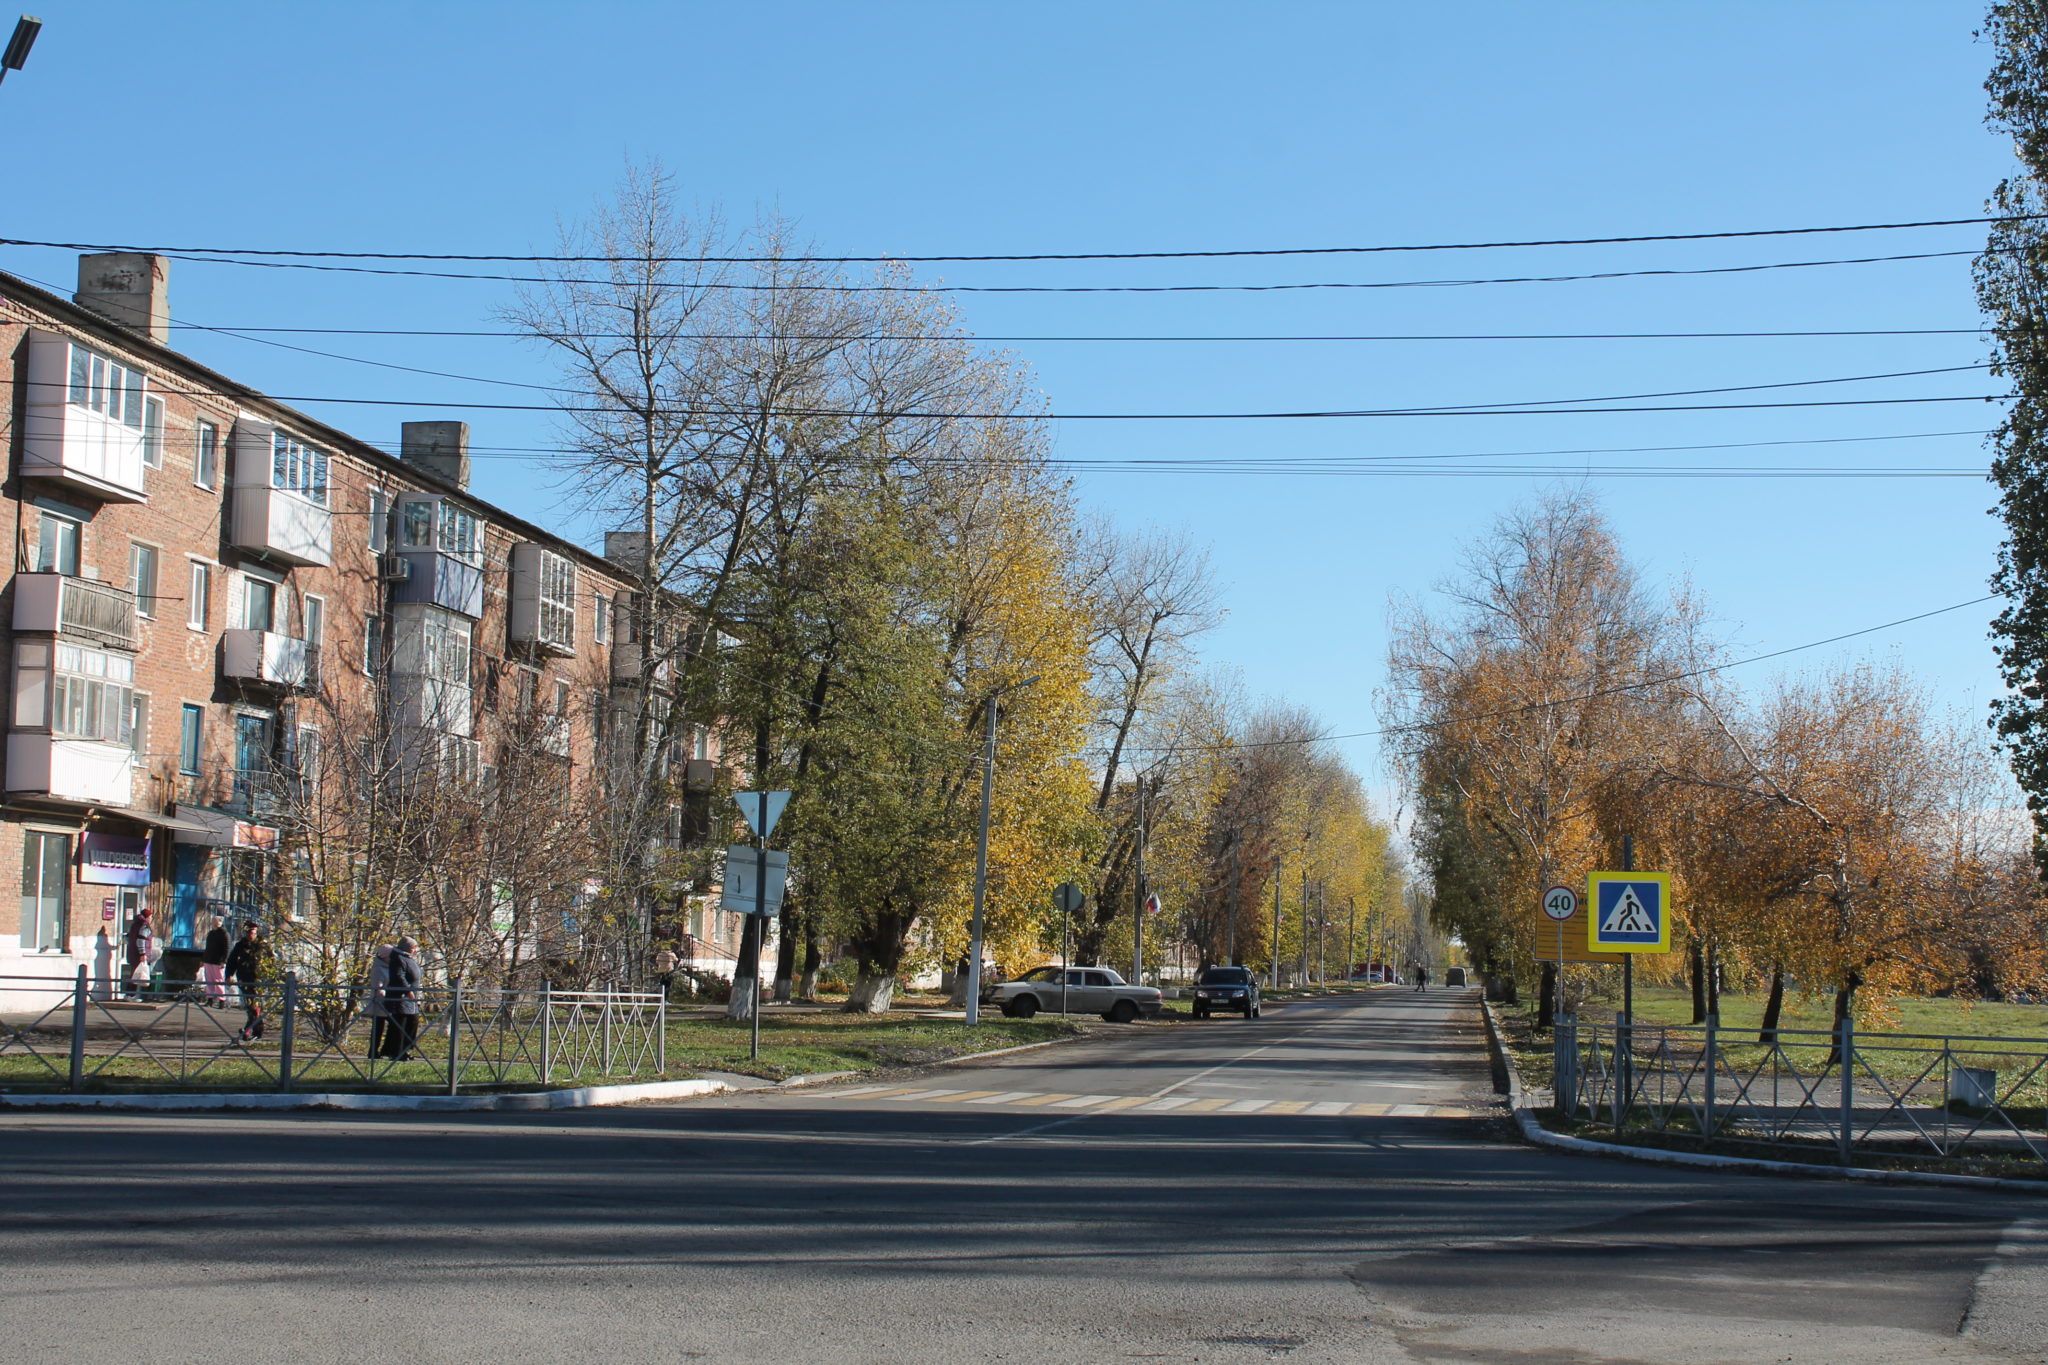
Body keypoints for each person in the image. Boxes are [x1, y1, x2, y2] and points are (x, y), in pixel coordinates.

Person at [225, 921, 269, 1041]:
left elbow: (271, 961)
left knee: (254, 1007)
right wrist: (229, 975)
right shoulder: (240, 945)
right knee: (251, 1007)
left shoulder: (262, 945)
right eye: (249, 932)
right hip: (244, 979)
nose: (251, 934)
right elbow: (232, 961)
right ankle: (255, 1032)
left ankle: (249, 1031)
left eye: (253, 932)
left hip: (259, 980)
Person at [381, 936, 423, 1061]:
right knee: (400, 1025)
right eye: (414, 948)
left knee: (411, 1023)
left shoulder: (407, 958)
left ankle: (402, 1050)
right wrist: (408, 990)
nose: (416, 950)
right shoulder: (398, 959)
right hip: (401, 998)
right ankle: (397, 1052)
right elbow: (399, 976)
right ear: (408, 948)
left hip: (410, 1000)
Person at [365, 944, 393, 1061]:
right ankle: (373, 1051)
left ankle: (382, 1050)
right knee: (378, 1028)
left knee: (386, 1026)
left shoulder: (388, 967)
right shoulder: (378, 969)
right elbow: (378, 986)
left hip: (387, 1003)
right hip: (380, 1003)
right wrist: (384, 994)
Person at [123, 910, 154, 1001]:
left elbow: (128, 937)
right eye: (151, 917)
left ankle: (130, 995)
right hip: (139, 955)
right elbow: (140, 940)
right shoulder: (144, 926)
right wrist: (143, 953)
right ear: (147, 917)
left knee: (134, 974)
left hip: (132, 953)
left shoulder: (134, 924)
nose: (151, 919)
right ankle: (131, 995)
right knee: (137, 975)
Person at [201, 916, 231, 1006]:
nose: (213, 923)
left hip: (218, 961)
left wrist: (224, 961)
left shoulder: (224, 933)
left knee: (218, 980)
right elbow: (208, 947)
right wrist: (203, 959)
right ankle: (210, 999)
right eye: (213, 921)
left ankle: (221, 999)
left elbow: (227, 948)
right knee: (209, 980)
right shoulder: (211, 933)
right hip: (209, 959)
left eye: (215, 921)